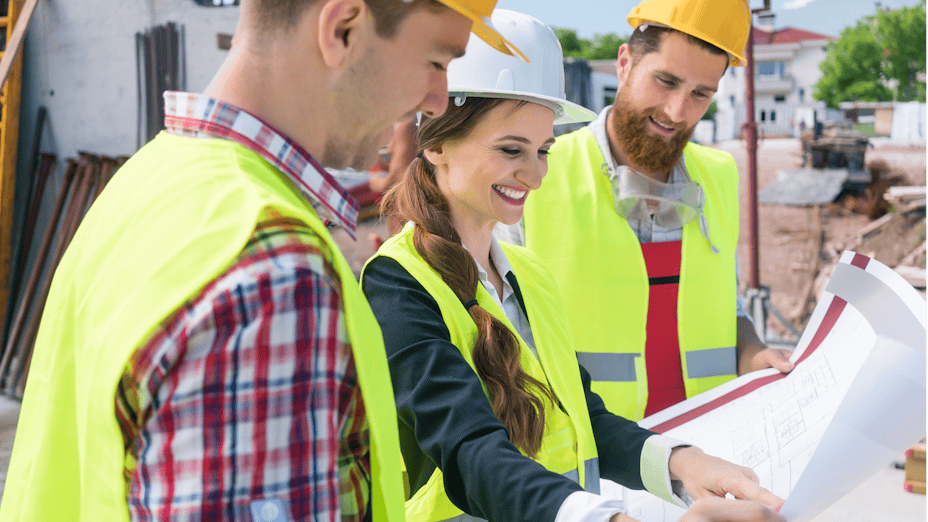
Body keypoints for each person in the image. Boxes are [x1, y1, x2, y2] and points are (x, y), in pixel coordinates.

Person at [0, 1, 525, 520]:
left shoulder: (149, 180)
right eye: (436, 62)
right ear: (342, 28)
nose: (437, 102)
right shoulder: (274, 272)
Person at [362, 10, 785, 522]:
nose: (536, 175)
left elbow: (585, 418)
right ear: (437, 143)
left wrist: (683, 464)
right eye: (511, 149)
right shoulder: (396, 284)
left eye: (543, 150)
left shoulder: (527, 274)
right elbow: (472, 452)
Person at [506, 0, 795, 423]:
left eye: (701, 94)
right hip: (588, 456)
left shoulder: (718, 175)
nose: (677, 112)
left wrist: (754, 354)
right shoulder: (539, 173)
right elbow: (504, 335)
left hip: (704, 448)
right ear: (625, 63)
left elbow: (725, 308)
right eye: (665, 81)